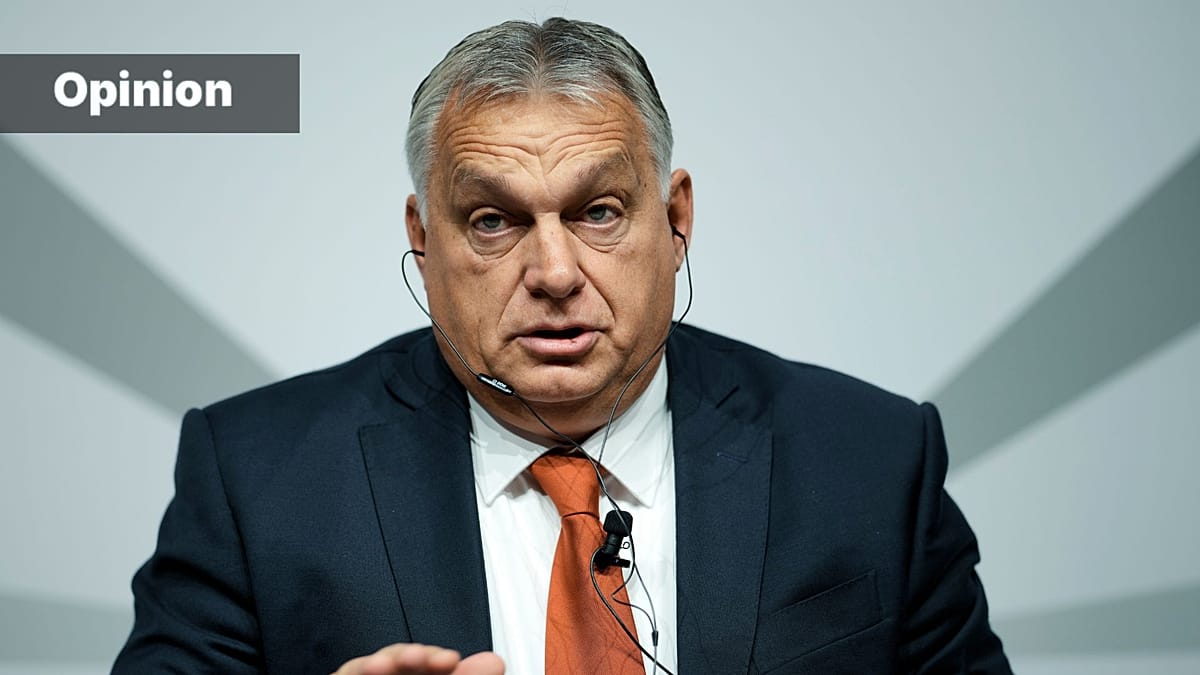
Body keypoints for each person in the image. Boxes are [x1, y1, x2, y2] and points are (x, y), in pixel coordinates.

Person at [112, 17, 1011, 675]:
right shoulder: (256, 479)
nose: (553, 272)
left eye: (599, 211)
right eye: (493, 220)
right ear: (423, 240)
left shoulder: (870, 462)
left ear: (676, 218)